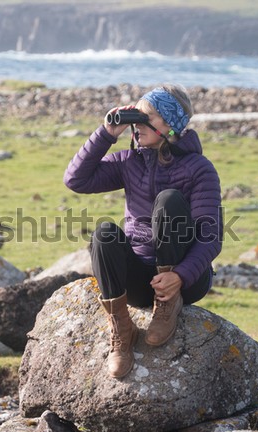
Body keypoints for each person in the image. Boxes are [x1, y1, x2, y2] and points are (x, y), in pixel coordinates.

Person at [63, 84, 223, 379]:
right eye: (133, 117)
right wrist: (106, 133)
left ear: (170, 125)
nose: (136, 125)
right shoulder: (128, 161)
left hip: (187, 280)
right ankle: (122, 331)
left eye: (144, 116)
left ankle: (167, 306)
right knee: (104, 234)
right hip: (141, 281)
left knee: (168, 202)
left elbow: (211, 236)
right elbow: (76, 179)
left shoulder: (199, 169)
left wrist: (180, 276)